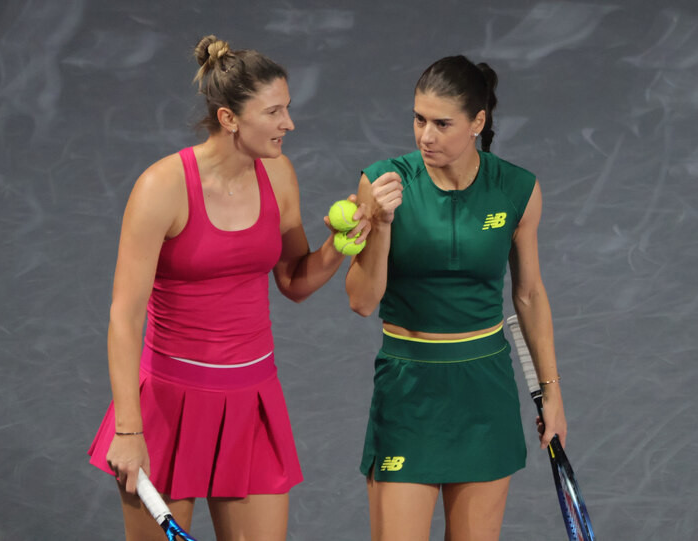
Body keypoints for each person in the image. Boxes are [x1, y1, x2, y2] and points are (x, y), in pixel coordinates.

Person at [88, 35, 369, 541]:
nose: (289, 123)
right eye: (274, 112)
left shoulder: (278, 174)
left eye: (288, 108)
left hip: (251, 403)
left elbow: (293, 280)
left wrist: (337, 247)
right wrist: (129, 429)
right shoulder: (161, 188)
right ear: (229, 119)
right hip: (168, 406)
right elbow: (124, 316)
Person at [345, 55, 567, 541]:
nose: (425, 136)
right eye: (419, 119)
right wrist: (381, 224)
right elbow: (362, 301)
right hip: (408, 393)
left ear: (477, 122)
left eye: (442, 124)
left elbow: (529, 294)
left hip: (484, 394)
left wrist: (551, 392)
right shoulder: (384, 183)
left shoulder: (517, 189)